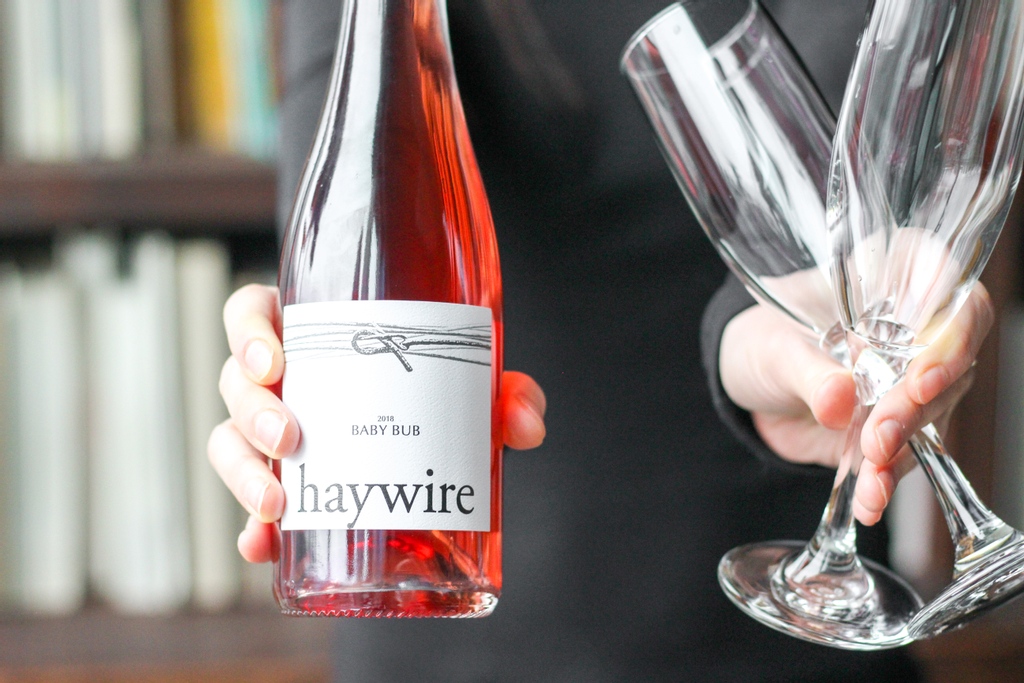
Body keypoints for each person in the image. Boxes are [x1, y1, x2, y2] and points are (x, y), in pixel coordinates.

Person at [209, 1, 993, 680]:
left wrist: (786, 330)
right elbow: (349, 231)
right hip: (442, 639)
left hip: (786, 642)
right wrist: (282, 358)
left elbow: (830, 184)